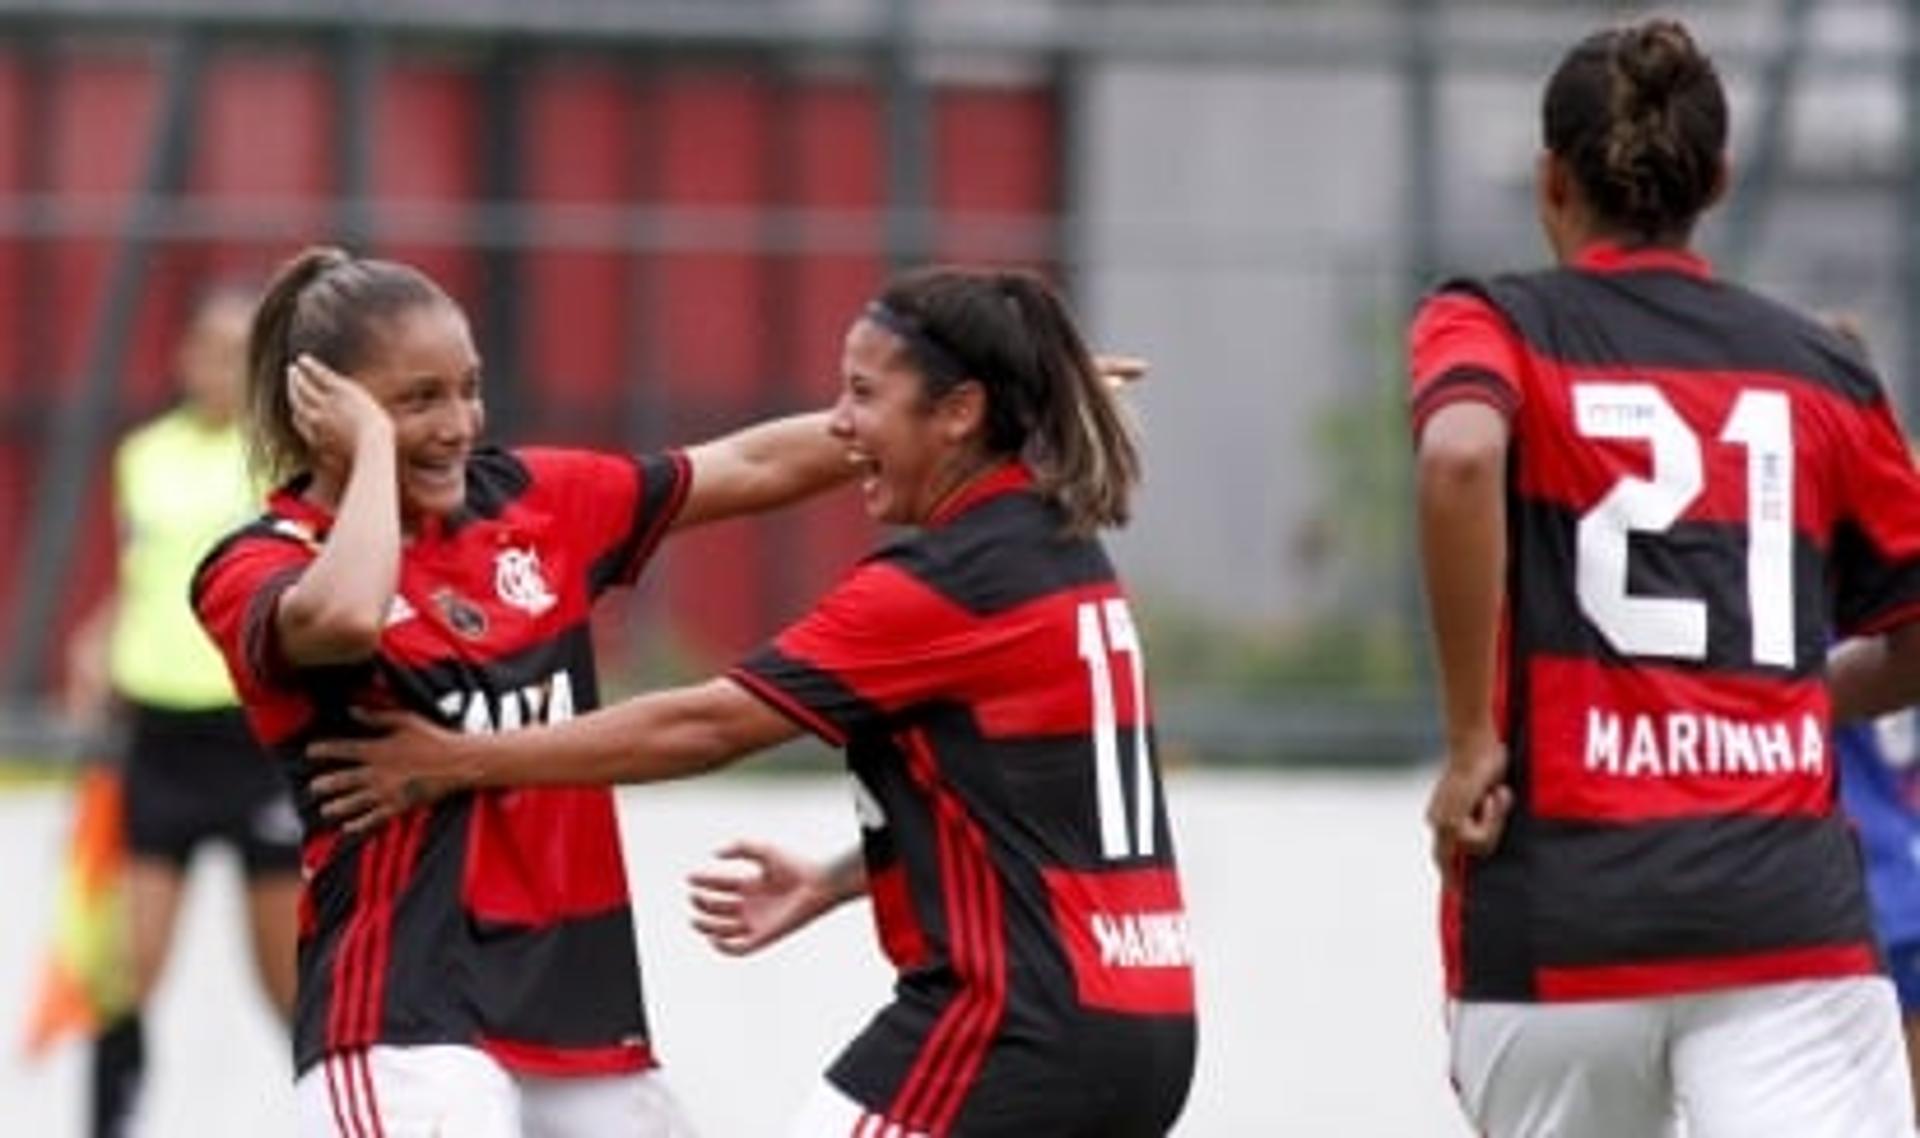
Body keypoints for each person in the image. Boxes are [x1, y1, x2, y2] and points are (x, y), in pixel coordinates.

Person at [304, 266, 1198, 1137]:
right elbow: (1027, 806)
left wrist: (457, 760)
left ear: (960, 411)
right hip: (1144, 1022)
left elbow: (705, 724)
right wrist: (842, 878)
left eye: (861, 394)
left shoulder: (941, 584)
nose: (842, 426)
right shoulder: (1061, 552)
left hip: (1008, 1027)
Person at [188, 245, 860, 1138]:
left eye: (467, 388)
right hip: (403, 1020)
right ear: (331, 418)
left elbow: (745, 467)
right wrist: (376, 457)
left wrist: (944, 422)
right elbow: (348, 618)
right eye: (416, 400)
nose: (459, 423)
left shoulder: (530, 505)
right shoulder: (260, 563)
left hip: (576, 1012)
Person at [1409, 17, 1920, 1138]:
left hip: (1556, 919)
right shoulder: (1822, 368)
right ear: (1720, 180)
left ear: (1551, 178)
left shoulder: (1491, 323)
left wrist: (1467, 745)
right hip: (1781, 915)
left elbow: (1457, 453)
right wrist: (1795, 694)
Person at [61, 285, 299, 1138]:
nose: (220, 369)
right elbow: (141, 581)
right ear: (183, 356)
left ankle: (342, 1116)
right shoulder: (144, 456)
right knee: (123, 971)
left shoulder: (284, 460)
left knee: (286, 982)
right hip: (158, 740)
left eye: (241, 355)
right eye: (207, 349)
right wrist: (97, 645)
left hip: (253, 739)